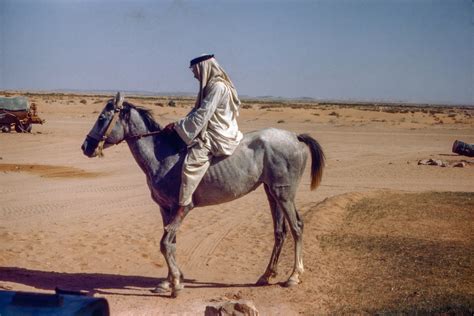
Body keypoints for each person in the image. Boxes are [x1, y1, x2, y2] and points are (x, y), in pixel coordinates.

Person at [163, 54, 243, 231]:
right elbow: (196, 111)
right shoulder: (210, 87)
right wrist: (179, 124)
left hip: (218, 134)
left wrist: (178, 127)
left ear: (204, 68)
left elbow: (202, 115)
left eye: (195, 71)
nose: (194, 75)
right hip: (210, 128)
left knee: (191, 164)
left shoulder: (218, 87)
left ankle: (181, 210)